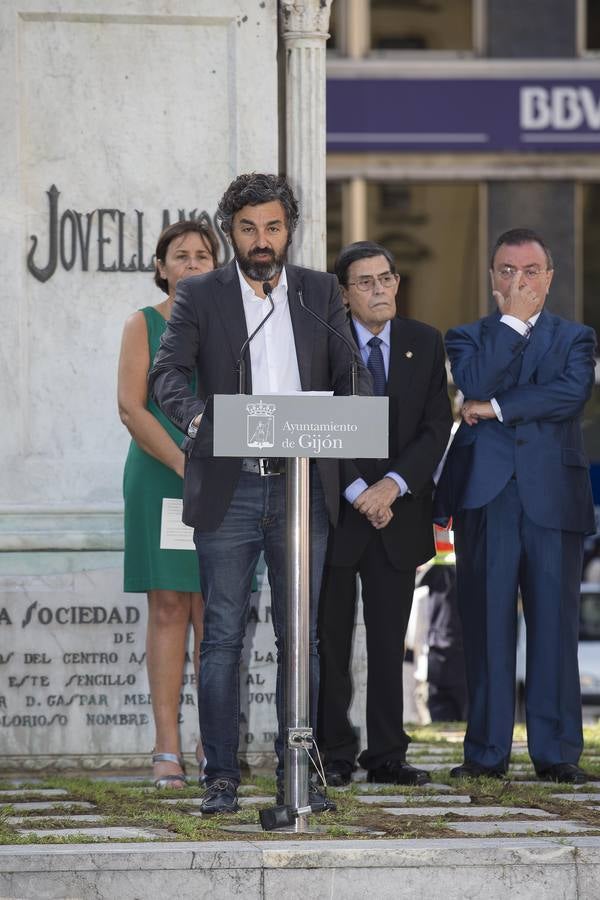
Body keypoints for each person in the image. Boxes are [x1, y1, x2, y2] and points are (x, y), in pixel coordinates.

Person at [148, 173, 372, 814]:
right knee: (221, 635)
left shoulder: (318, 292)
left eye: (272, 227)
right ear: (230, 232)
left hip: (303, 487)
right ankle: (220, 777)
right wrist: (198, 424)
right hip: (232, 484)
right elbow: (167, 374)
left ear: (288, 231)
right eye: (248, 228)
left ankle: (297, 778)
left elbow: (349, 371)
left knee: (303, 638)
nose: (261, 240)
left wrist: (348, 406)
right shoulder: (200, 295)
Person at [435, 228, 596, 784]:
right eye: (507, 270)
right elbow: (472, 380)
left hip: (553, 496)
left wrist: (495, 407)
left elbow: (569, 396)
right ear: (491, 277)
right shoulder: (466, 336)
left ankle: (557, 754)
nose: (518, 282)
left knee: (554, 625)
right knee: (485, 624)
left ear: (549, 278)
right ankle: (485, 752)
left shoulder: (577, 337)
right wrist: (509, 326)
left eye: (530, 272)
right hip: (487, 495)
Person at [317, 241, 452, 787]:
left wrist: (391, 488)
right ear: (345, 294)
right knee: (330, 642)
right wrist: (357, 491)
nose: (380, 289)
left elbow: (434, 428)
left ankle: (387, 755)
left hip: (398, 517)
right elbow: (315, 422)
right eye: (366, 282)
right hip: (338, 515)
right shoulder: (323, 343)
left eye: (386, 279)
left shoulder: (424, 340)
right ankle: (333, 753)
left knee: (388, 639)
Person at [118, 219, 219, 788]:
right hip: (162, 477)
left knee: (215, 612)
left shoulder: (231, 324)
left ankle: (215, 745)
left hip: (222, 483)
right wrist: (187, 465)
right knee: (168, 609)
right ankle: (166, 748)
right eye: (180, 255)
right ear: (161, 267)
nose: (192, 263)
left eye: (203, 255)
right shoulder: (143, 324)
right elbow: (132, 409)